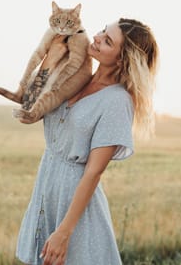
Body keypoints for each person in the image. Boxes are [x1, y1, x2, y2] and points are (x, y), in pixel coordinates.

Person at [15, 18, 159, 265]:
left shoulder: (117, 102)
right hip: (46, 187)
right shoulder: (76, 74)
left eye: (107, 41)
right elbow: (28, 104)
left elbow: (93, 172)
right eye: (103, 30)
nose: (97, 37)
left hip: (75, 209)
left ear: (122, 59)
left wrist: (64, 232)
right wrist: (51, 56)